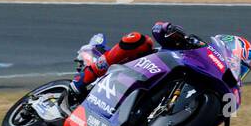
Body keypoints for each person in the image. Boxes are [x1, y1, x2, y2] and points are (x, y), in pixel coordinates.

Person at [69, 21, 227, 99]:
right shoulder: (194, 45)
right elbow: (158, 28)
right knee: (138, 39)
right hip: (141, 67)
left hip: (144, 92)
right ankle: (86, 76)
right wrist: (171, 30)